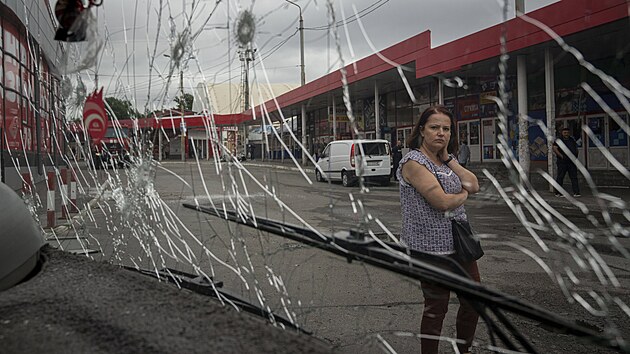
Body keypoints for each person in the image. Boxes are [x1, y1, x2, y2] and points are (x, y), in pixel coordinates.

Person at [396, 105, 480, 354]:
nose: (441, 133)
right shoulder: (413, 162)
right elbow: (442, 202)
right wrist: (462, 194)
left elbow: (473, 184)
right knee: (436, 307)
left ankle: (463, 350)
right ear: (422, 130)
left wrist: (448, 158)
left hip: (459, 243)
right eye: (434, 127)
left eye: (446, 129)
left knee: (474, 299)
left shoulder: (445, 161)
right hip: (428, 248)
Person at [553, 128, 581, 197]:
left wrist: (576, 155)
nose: (566, 134)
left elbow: (576, 148)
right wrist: (561, 156)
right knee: (560, 176)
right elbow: (554, 148)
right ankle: (558, 193)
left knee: (574, 177)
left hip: (571, 161)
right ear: (562, 133)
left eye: (567, 132)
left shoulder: (571, 139)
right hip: (562, 161)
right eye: (565, 133)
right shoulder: (559, 140)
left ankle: (576, 192)